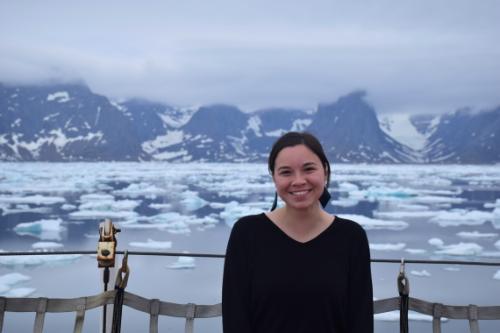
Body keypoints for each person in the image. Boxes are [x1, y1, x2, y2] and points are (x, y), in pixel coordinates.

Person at [222, 131, 373, 333]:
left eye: (309, 169)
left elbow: (360, 321)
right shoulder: (247, 233)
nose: (298, 180)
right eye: (286, 172)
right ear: (274, 178)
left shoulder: (351, 237)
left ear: (325, 171)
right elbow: (235, 319)